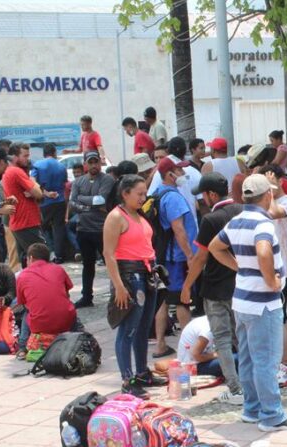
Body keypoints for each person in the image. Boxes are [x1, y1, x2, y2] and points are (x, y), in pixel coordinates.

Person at [210, 174, 287, 432]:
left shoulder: (237, 220)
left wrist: (238, 266)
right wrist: (271, 280)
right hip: (264, 303)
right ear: (268, 196)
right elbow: (263, 251)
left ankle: (251, 409)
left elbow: (214, 247)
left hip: (242, 300)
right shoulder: (263, 223)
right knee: (266, 362)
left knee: (250, 359)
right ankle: (272, 415)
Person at [180, 172, 244, 404]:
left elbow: (200, 258)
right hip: (242, 286)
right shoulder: (243, 211)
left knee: (223, 339)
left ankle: (235, 389)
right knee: (243, 336)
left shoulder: (211, 220)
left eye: (204, 195)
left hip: (216, 289)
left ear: (212, 194)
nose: (203, 199)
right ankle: (250, 382)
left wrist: (187, 287)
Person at [103, 174, 164, 399]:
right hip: (130, 276)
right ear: (125, 193)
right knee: (128, 329)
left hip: (148, 273)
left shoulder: (138, 215)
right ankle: (127, 380)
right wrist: (119, 286)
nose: (143, 198)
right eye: (139, 194)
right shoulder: (116, 217)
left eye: (144, 194)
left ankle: (142, 373)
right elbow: (108, 254)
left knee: (143, 327)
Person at [153, 157, 198, 358]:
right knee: (182, 300)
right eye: (179, 171)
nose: (182, 174)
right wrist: (190, 255)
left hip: (166, 255)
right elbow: (178, 229)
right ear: (170, 174)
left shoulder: (158, 193)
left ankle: (161, 344)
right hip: (177, 257)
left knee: (164, 300)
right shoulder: (172, 197)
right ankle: (188, 347)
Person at [258, 165, 287, 385]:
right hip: (264, 265)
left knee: (280, 314)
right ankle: (275, 361)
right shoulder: (264, 201)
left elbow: (274, 212)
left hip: (282, 266)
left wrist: (270, 190)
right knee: (267, 315)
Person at [15, 243, 77, 360]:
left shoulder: (23, 276)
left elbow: (22, 302)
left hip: (40, 325)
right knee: (68, 307)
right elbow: (66, 294)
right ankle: (81, 334)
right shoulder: (58, 269)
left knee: (26, 312)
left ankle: (22, 347)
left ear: (31, 258)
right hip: (66, 321)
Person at [68, 152, 115, 308]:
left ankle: (117, 292)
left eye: (96, 162)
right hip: (84, 229)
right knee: (88, 264)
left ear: (100, 163)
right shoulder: (78, 182)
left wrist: (81, 200)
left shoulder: (107, 179)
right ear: (85, 164)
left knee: (111, 263)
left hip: (102, 229)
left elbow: (101, 200)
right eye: (91, 162)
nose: (94, 165)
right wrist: (88, 206)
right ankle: (86, 296)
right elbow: (72, 204)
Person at [2, 143, 46, 268]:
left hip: (20, 222)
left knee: (27, 261)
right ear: (15, 157)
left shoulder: (10, 171)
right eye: (25, 156)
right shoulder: (16, 171)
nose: (28, 159)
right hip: (26, 222)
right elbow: (38, 193)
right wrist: (33, 183)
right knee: (41, 259)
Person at [148, 136, 203, 220]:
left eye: (161, 157)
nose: (183, 173)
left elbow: (150, 198)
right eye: (179, 170)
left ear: (168, 152)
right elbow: (202, 202)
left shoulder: (159, 173)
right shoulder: (195, 172)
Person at [34, 143, 68, 263]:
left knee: (42, 228)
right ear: (54, 152)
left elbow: (33, 184)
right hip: (59, 200)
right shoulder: (61, 166)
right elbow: (64, 183)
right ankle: (59, 256)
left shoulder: (37, 165)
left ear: (44, 153)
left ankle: (47, 253)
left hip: (44, 202)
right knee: (59, 228)